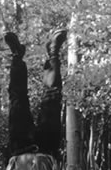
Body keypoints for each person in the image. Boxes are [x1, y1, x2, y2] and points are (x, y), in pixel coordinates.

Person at [4, 29, 67, 161]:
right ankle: (53, 54)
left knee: (17, 100)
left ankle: (17, 55)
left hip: (20, 150)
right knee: (52, 97)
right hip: (47, 150)